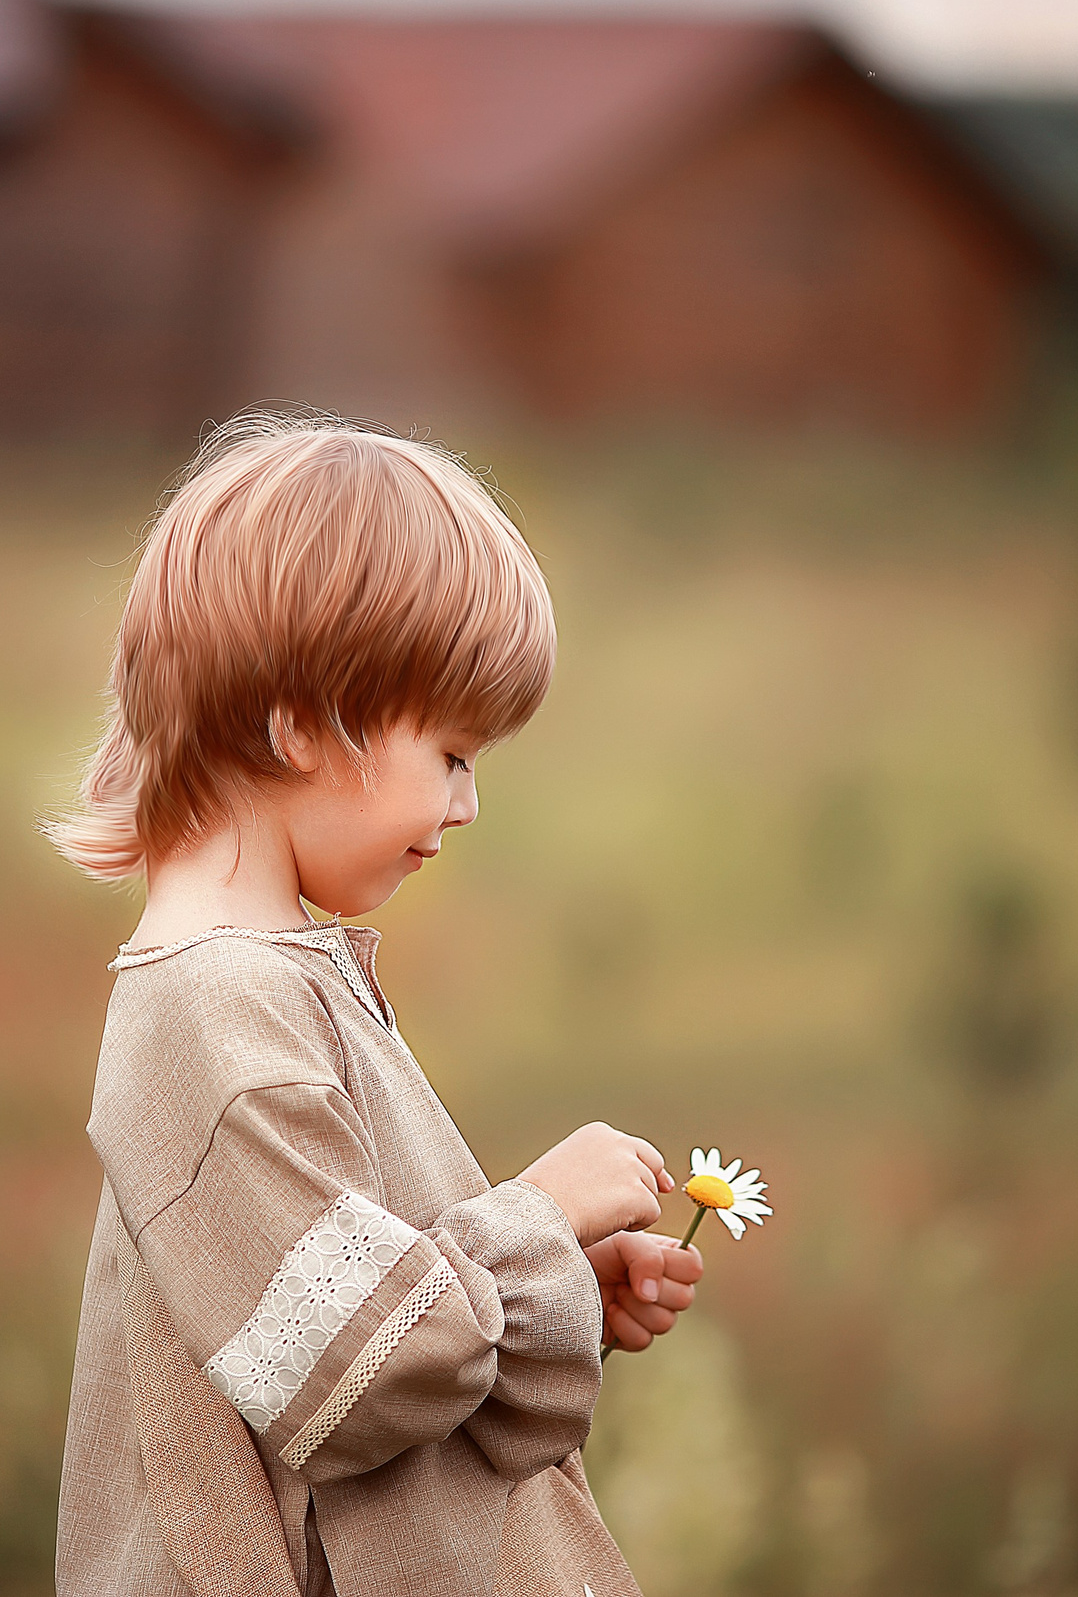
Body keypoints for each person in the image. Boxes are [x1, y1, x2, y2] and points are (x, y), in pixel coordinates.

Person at [44, 411, 703, 1596]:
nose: (466, 805)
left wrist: (548, 1288)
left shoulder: (268, 978)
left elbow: (345, 1305)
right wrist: (539, 1218)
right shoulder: (212, 1007)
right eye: (450, 754)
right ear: (303, 725)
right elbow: (356, 1373)